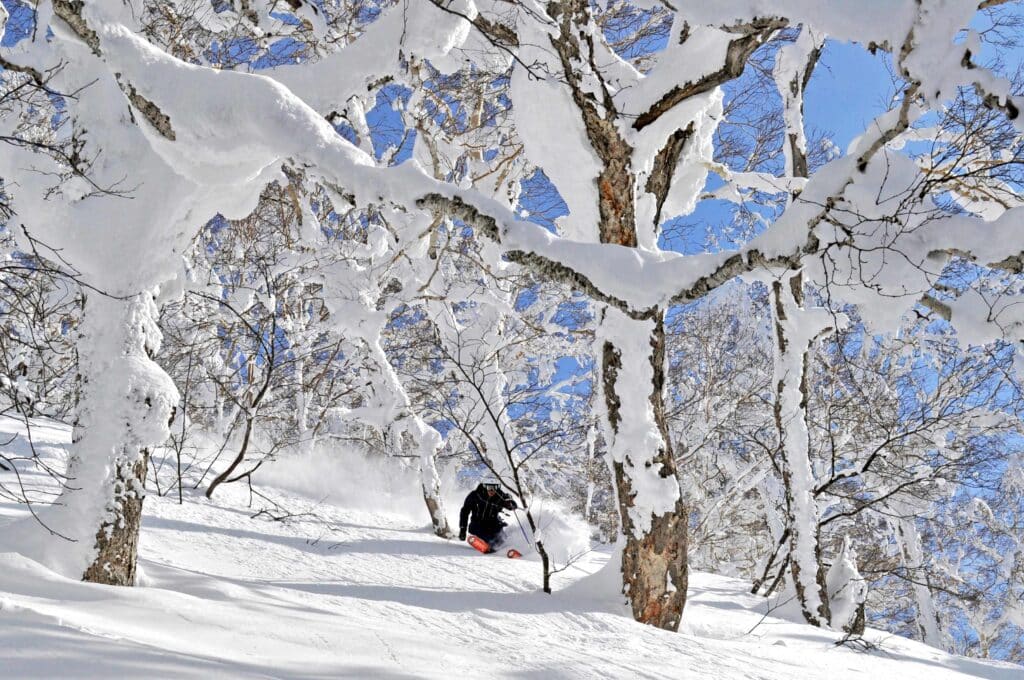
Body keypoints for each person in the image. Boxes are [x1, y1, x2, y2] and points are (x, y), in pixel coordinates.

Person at [458, 476, 517, 552]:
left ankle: (508, 550)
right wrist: (463, 529)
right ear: (484, 486)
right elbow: (465, 512)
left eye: (495, 487)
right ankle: (488, 545)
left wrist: (510, 502)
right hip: (478, 524)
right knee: (489, 539)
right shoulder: (475, 496)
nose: (492, 490)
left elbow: (512, 506)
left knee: (502, 539)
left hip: (494, 523)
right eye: (489, 487)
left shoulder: (500, 496)